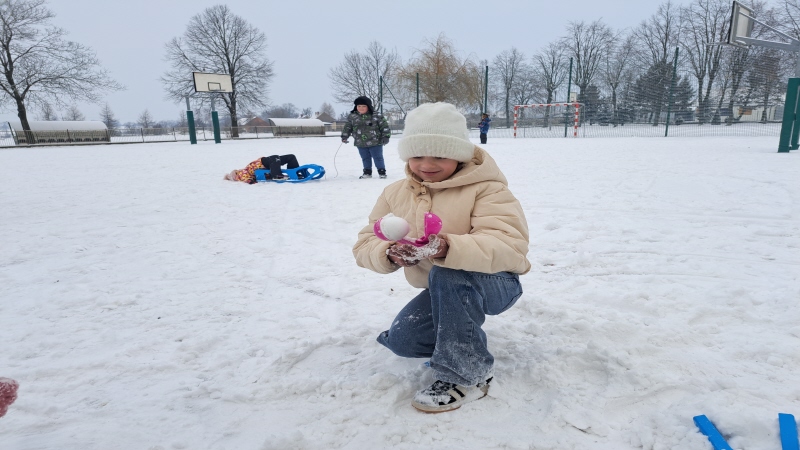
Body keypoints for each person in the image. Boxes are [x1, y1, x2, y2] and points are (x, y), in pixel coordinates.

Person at [353, 102, 530, 413]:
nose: (426, 164)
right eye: (417, 155)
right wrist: (389, 252)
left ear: (458, 155)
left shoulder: (487, 189)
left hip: (496, 282)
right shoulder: (395, 193)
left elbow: (509, 245)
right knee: (404, 341)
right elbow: (366, 242)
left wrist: (448, 247)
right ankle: (456, 341)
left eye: (439, 155)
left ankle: (467, 374)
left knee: (448, 272)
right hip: (442, 290)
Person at [341, 96, 391, 179]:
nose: (361, 108)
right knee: (365, 158)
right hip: (360, 142)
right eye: (359, 106)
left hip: (375, 141)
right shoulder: (352, 116)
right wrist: (344, 136)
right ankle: (367, 172)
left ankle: (382, 171)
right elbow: (348, 127)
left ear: (368, 106)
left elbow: (384, 126)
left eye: (364, 106)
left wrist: (386, 136)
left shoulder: (376, 115)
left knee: (378, 157)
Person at [223, 154, 301, 184]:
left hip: (262, 163)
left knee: (291, 157)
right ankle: (276, 175)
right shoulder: (239, 175)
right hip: (262, 164)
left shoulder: (240, 172)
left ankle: (295, 172)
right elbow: (246, 178)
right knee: (275, 158)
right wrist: (250, 181)